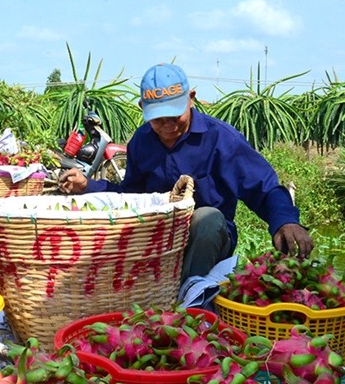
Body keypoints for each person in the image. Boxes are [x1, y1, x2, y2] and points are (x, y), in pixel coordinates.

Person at [59, 63, 313, 288]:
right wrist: (88, 186)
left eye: (175, 116)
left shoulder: (220, 139)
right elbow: (132, 197)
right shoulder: (141, 142)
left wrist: (285, 221)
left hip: (207, 242)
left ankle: (186, 297)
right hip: (158, 244)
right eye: (159, 120)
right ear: (143, 109)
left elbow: (264, 188)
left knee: (208, 217)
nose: (168, 127)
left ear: (191, 99)